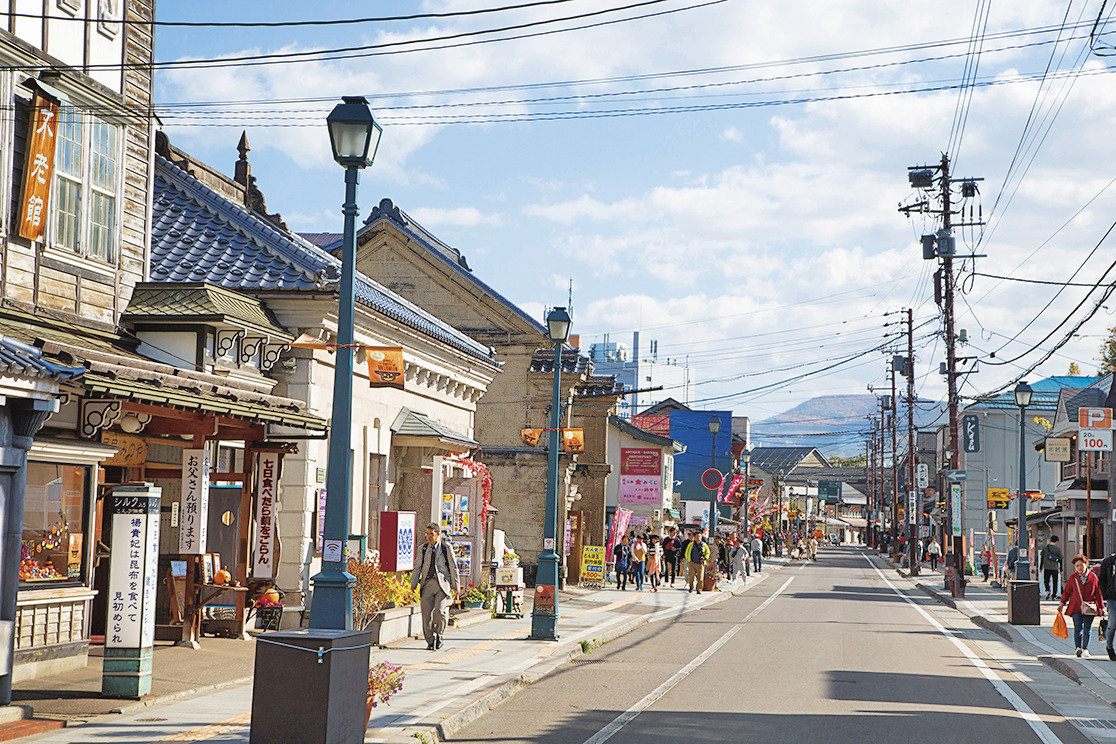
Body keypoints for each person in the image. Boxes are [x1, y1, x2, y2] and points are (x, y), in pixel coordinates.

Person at [410, 523, 461, 651]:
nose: (429, 536)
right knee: (426, 616)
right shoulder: (422, 548)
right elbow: (417, 567)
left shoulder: (445, 548)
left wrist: (456, 585)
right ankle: (430, 641)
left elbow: (453, 567)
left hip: (442, 585)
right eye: (427, 533)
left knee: (440, 612)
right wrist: (414, 582)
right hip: (427, 584)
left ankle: (439, 634)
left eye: (431, 534)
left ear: (438, 534)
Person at [1059, 554, 1106, 657]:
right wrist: (1062, 603)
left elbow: (1097, 593)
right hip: (1076, 606)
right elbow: (1067, 592)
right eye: (1077, 566)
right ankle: (1078, 648)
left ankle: (1085, 649)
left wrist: (1102, 607)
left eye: (1081, 565)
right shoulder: (1073, 577)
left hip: (1090, 607)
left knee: (1087, 628)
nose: (1080, 567)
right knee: (1078, 627)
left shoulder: (1093, 577)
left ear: (1086, 564)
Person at [1095, 549, 1116, 660]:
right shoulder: (1108, 562)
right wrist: (1105, 594)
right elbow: (1101, 580)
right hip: (1112, 598)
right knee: (1112, 623)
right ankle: (1109, 647)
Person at [1041, 536, 1064, 600]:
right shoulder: (1058, 549)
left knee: (1046, 580)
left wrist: (1040, 567)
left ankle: (1047, 590)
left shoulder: (1045, 548)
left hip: (1047, 567)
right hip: (1055, 568)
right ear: (1056, 541)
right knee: (1055, 582)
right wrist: (1061, 569)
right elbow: (1060, 560)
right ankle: (1054, 595)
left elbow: (1042, 557)